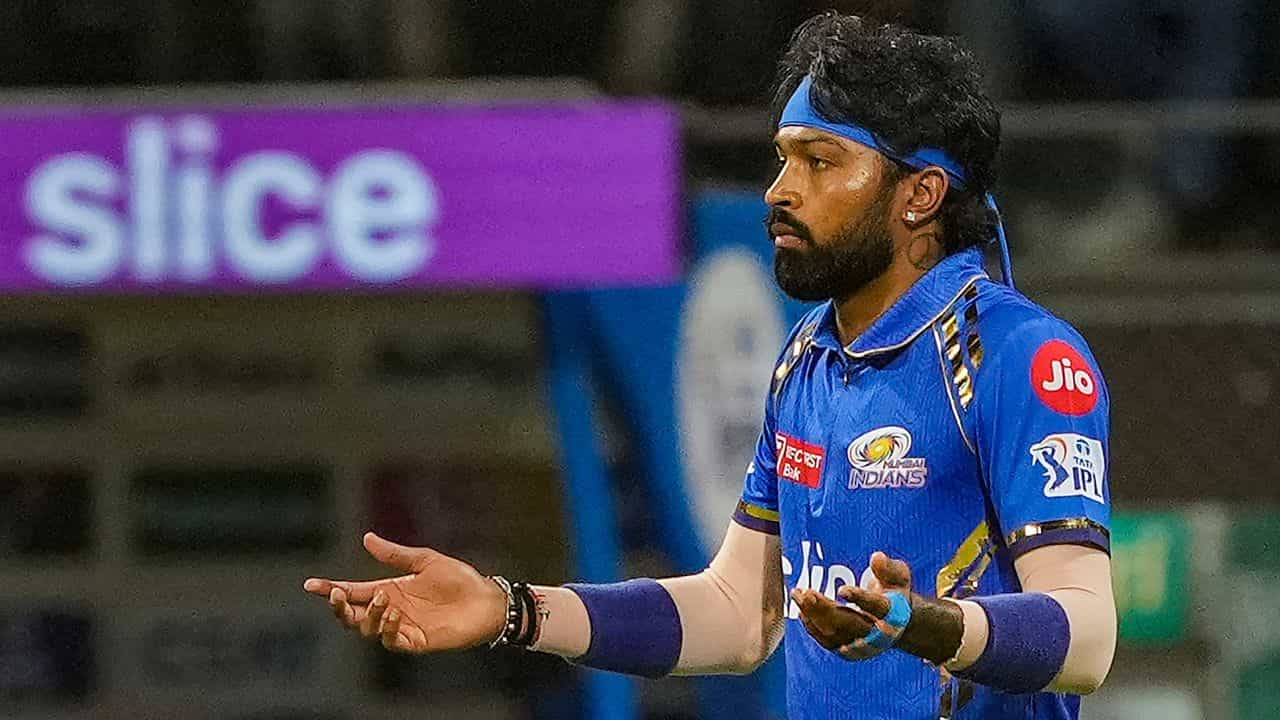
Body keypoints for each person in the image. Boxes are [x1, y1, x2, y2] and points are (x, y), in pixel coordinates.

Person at [303, 13, 1117, 719]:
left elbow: (1086, 636)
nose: (779, 190)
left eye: (820, 161)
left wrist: (925, 625)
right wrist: (512, 609)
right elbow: (736, 612)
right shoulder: (807, 358)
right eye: (782, 158)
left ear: (921, 195)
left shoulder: (1020, 356)